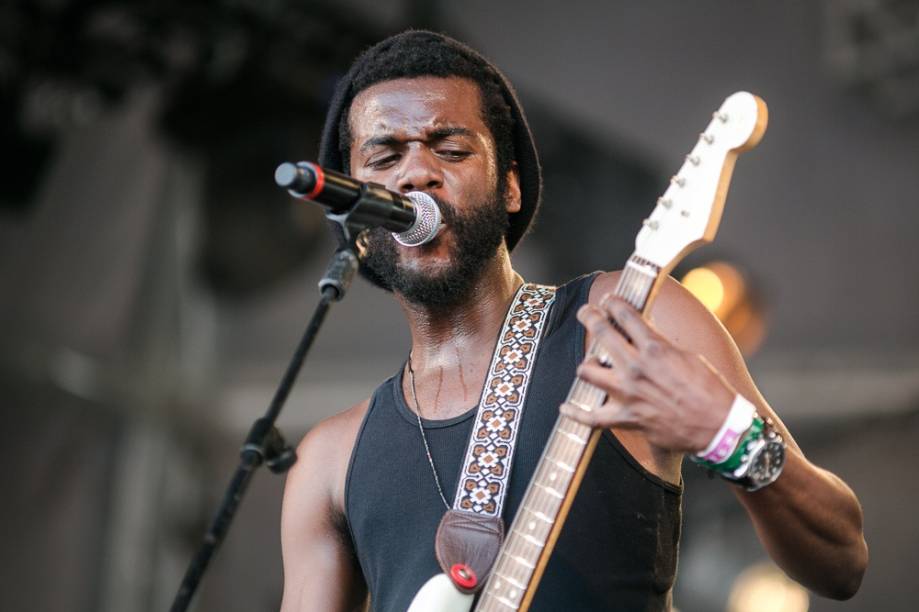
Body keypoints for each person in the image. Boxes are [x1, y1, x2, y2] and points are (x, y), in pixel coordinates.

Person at [279, 31, 867, 611]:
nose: (415, 176)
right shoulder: (330, 460)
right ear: (355, 208)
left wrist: (729, 435)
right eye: (384, 157)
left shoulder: (628, 321)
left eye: (451, 150)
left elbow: (841, 560)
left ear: (510, 185)